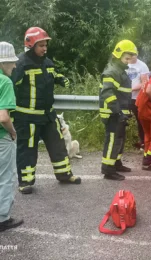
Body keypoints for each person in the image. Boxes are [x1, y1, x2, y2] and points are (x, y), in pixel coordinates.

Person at [11, 27, 81, 194]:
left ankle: (65, 174)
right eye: (41, 45)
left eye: (45, 45)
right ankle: (25, 182)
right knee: (27, 150)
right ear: (30, 45)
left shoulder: (47, 62)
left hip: (48, 115)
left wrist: (60, 78)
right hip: (27, 118)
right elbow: (10, 87)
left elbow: (51, 74)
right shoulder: (20, 64)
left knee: (58, 145)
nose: (44, 48)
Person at [99, 40, 137, 180]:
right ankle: (108, 169)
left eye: (130, 58)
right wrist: (118, 112)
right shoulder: (112, 72)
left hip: (119, 112)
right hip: (112, 113)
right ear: (118, 55)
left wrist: (127, 111)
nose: (128, 61)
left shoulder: (120, 71)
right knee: (113, 140)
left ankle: (116, 163)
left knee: (120, 139)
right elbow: (107, 94)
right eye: (126, 58)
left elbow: (123, 94)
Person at [0, 42, 24, 231]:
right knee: (6, 177)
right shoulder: (5, 82)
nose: (14, 66)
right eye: (11, 62)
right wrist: (13, 132)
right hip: (2, 138)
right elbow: (3, 117)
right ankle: (2, 218)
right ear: (2, 63)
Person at [126, 53, 149, 150]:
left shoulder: (142, 66)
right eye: (131, 54)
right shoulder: (124, 64)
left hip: (137, 98)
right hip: (125, 98)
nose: (133, 56)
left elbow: (145, 82)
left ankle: (143, 143)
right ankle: (120, 142)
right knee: (122, 120)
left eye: (134, 54)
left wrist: (130, 89)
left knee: (140, 120)